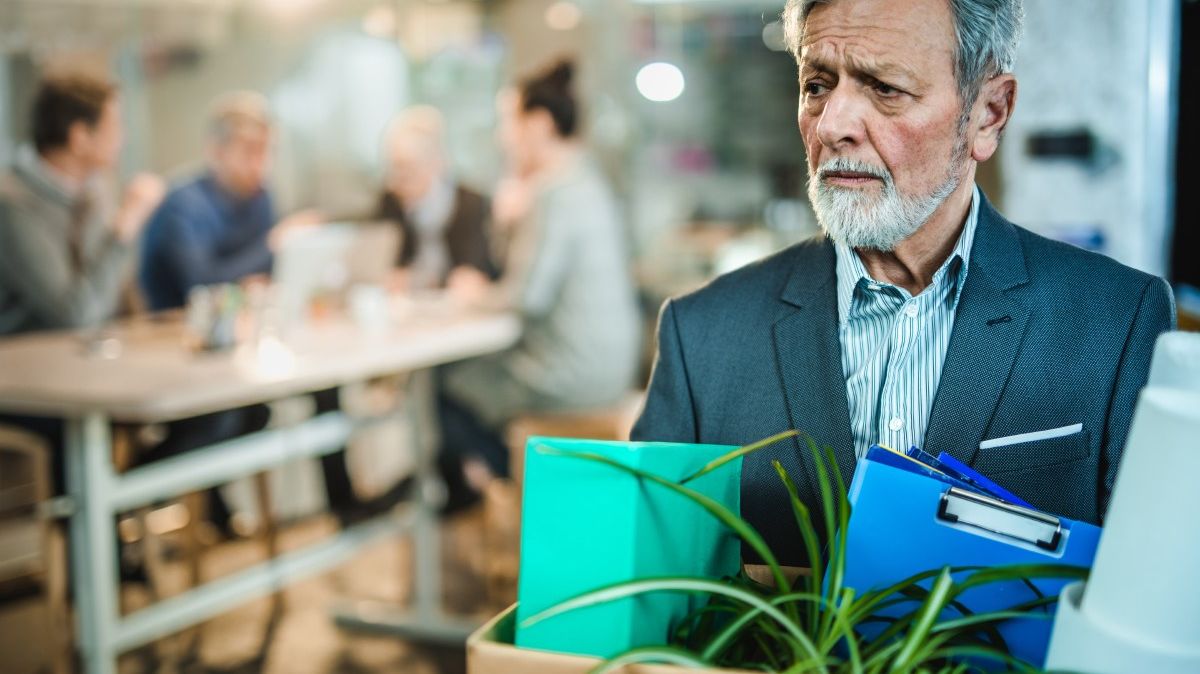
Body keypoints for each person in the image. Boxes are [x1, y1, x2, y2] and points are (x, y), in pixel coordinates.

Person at [632, 0, 1176, 566]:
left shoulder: (1118, 322)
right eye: (817, 84)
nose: (833, 125)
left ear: (988, 113)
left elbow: (1151, 594)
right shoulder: (702, 337)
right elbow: (643, 596)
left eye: (885, 87)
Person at [138, 92, 374, 529]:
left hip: (244, 344)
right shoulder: (182, 204)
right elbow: (201, 284)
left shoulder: (260, 197)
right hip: (178, 353)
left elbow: (266, 276)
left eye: (266, 151)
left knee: (322, 385)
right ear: (216, 150)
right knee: (229, 416)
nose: (260, 163)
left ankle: (343, 505)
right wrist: (271, 246)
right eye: (250, 151)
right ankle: (128, 501)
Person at [436, 60, 642, 509]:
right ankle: (516, 488)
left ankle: (515, 493)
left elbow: (525, 296)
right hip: (610, 370)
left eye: (508, 122)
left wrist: (472, 294)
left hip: (568, 376)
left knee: (442, 384)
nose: (502, 137)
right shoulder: (588, 181)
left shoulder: (554, 192)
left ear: (540, 124)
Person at [0, 71, 164, 486]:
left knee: (211, 414)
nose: (122, 139)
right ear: (80, 137)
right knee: (96, 446)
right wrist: (125, 226)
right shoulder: (12, 204)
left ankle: (128, 529)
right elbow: (74, 313)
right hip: (28, 388)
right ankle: (104, 539)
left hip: (89, 370)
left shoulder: (93, 191)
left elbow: (111, 294)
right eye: (114, 127)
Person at [375, 106, 498, 290]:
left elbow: (474, 274)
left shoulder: (471, 204)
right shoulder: (391, 202)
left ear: (435, 162)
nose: (397, 179)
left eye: (407, 167)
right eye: (393, 168)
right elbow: (385, 264)